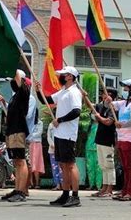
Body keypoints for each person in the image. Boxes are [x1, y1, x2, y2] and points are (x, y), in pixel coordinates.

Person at [36, 66, 82, 208]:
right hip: (59, 133)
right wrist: (39, 91)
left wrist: (60, 120)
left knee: (70, 164)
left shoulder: (74, 92)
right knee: (63, 165)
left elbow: (76, 111)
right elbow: (47, 100)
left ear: (70, 76)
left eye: (63, 74)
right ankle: (65, 193)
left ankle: (75, 196)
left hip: (68, 134)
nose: (60, 77)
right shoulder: (63, 91)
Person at [105, 79, 131, 202]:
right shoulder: (123, 103)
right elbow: (108, 105)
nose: (124, 90)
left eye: (126, 88)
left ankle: (130, 192)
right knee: (125, 167)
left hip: (130, 139)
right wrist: (108, 100)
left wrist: (122, 124)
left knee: (130, 167)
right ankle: (124, 190)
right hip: (121, 138)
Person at [0, 69, 32, 203]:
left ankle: (21, 191)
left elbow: (18, 78)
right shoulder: (15, 96)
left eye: (13, 79)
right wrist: (3, 102)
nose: (12, 82)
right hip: (12, 131)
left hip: (19, 131)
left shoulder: (24, 92)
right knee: (16, 162)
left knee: (21, 160)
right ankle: (17, 189)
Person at [92, 88, 117, 198]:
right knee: (102, 165)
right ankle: (104, 187)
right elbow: (95, 116)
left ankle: (110, 189)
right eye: (104, 94)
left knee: (109, 165)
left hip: (108, 140)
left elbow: (108, 122)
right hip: (100, 138)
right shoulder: (101, 106)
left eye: (108, 95)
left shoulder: (114, 108)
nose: (106, 96)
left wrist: (99, 118)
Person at [86, 110, 102, 191]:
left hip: (98, 148)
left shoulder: (102, 125)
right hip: (89, 148)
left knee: (98, 168)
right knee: (90, 167)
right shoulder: (90, 125)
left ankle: (98, 186)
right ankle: (91, 184)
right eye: (92, 113)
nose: (94, 115)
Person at [28, 115, 44, 189]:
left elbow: (39, 133)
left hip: (37, 144)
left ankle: (37, 183)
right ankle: (30, 183)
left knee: (37, 164)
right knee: (30, 163)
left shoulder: (40, 123)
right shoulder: (29, 122)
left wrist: (30, 135)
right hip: (30, 144)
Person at [47, 122, 63, 191]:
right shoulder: (50, 125)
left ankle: (63, 184)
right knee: (54, 168)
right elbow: (48, 136)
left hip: (61, 149)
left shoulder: (62, 124)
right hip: (52, 149)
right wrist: (52, 144)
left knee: (61, 168)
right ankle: (57, 184)